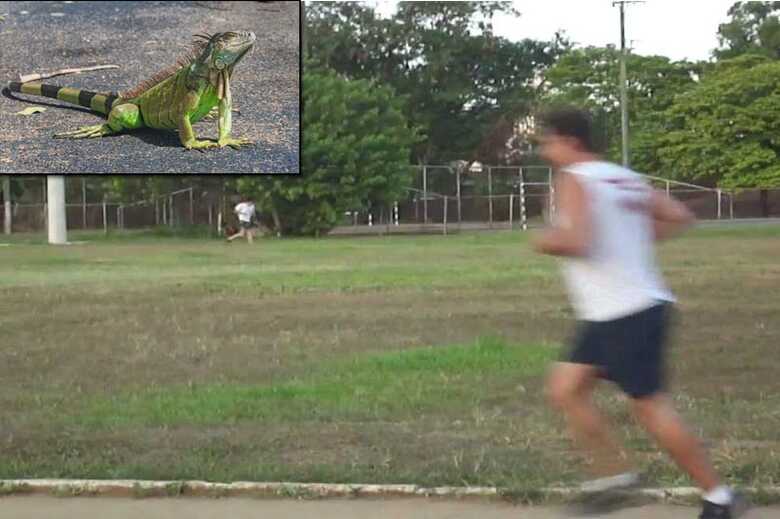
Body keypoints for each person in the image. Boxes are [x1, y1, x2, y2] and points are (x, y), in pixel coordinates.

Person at [533, 107, 746, 518]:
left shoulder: (573, 178)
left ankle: (720, 497)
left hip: (624, 311)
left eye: (548, 142)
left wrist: (542, 240)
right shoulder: (621, 176)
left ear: (570, 141)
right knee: (565, 388)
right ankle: (614, 477)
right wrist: (631, 240)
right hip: (614, 311)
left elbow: (575, 242)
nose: (545, 151)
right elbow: (679, 216)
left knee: (649, 407)